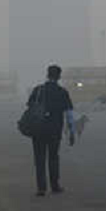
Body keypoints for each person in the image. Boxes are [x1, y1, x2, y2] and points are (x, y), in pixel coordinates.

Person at [27, 65, 76, 196]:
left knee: (39, 159)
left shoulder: (38, 90)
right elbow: (69, 114)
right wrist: (72, 132)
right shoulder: (62, 92)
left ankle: (41, 188)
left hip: (38, 129)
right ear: (59, 76)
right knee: (53, 157)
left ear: (47, 75)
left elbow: (30, 107)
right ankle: (55, 186)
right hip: (54, 130)